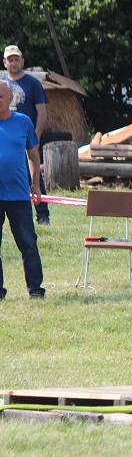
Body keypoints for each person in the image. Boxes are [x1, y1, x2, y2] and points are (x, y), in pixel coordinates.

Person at [0, 81, 45, 300]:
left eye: (0, 96)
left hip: (18, 195)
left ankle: (35, 289)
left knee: (28, 243)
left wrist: (35, 184)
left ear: (10, 98)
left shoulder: (23, 122)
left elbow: (33, 156)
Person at [3, 45, 50, 225]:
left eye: (17, 59)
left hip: (26, 136)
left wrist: (35, 138)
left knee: (34, 174)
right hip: (6, 138)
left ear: (22, 61)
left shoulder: (33, 83)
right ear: (4, 62)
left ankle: (43, 214)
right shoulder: (1, 84)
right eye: (10, 59)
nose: (14, 62)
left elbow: (42, 112)